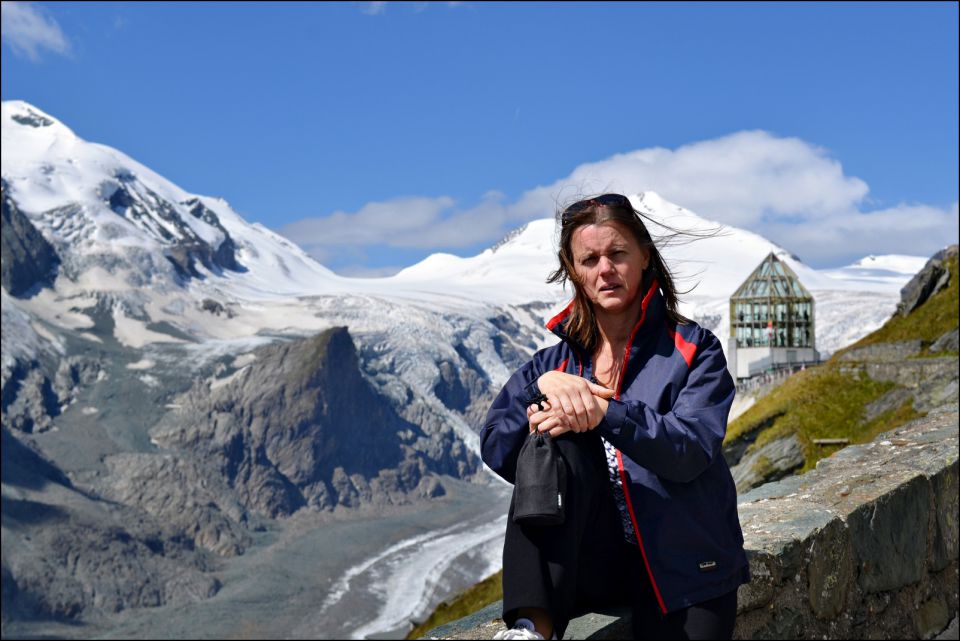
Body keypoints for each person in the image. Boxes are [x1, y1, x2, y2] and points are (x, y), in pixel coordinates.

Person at [481, 194, 749, 640]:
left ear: (644, 256)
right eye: (589, 259)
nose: (605, 269)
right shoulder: (553, 364)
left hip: (686, 566)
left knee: (575, 416)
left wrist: (605, 413)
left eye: (617, 253)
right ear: (574, 270)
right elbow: (495, 444)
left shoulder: (694, 350)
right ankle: (533, 628)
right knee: (556, 433)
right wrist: (539, 390)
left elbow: (691, 450)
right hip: (594, 565)